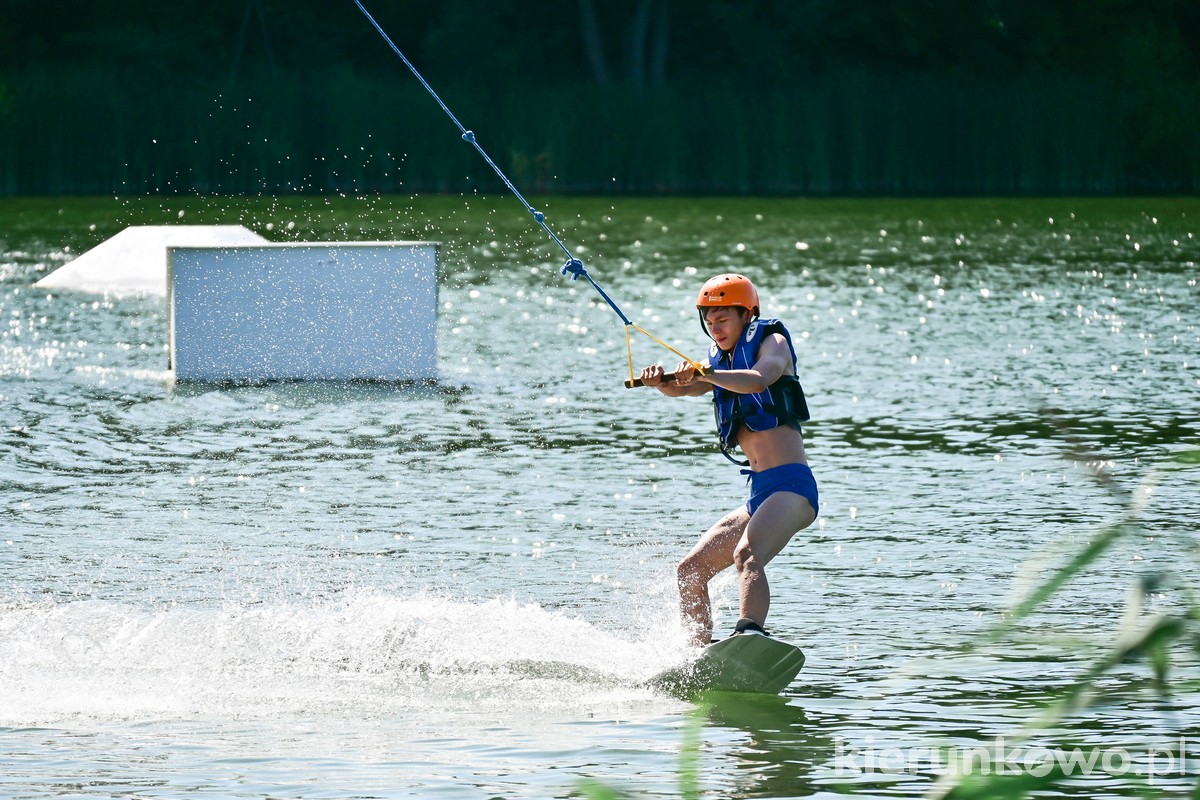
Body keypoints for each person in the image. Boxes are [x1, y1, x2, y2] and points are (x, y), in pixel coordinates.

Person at [638, 273, 818, 647]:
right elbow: (684, 388)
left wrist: (710, 374)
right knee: (690, 570)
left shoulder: (773, 343)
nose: (714, 328)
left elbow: (757, 380)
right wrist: (661, 382)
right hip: (758, 493)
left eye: (723, 319)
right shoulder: (718, 361)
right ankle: (697, 654)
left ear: (746, 314)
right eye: (709, 320)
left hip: (792, 487)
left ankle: (749, 634)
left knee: (747, 553)